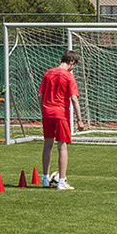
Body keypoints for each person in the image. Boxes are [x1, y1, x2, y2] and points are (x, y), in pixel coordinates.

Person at [39, 51, 84, 191]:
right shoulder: (69, 76)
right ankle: (62, 181)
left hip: (47, 112)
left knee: (47, 145)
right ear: (72, 62)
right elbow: (74, 99)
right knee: (62, 146)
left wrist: (43, 111)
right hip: (60, 113)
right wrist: (80, 120)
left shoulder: (48, 73)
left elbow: (40, 95)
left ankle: (45, 178)